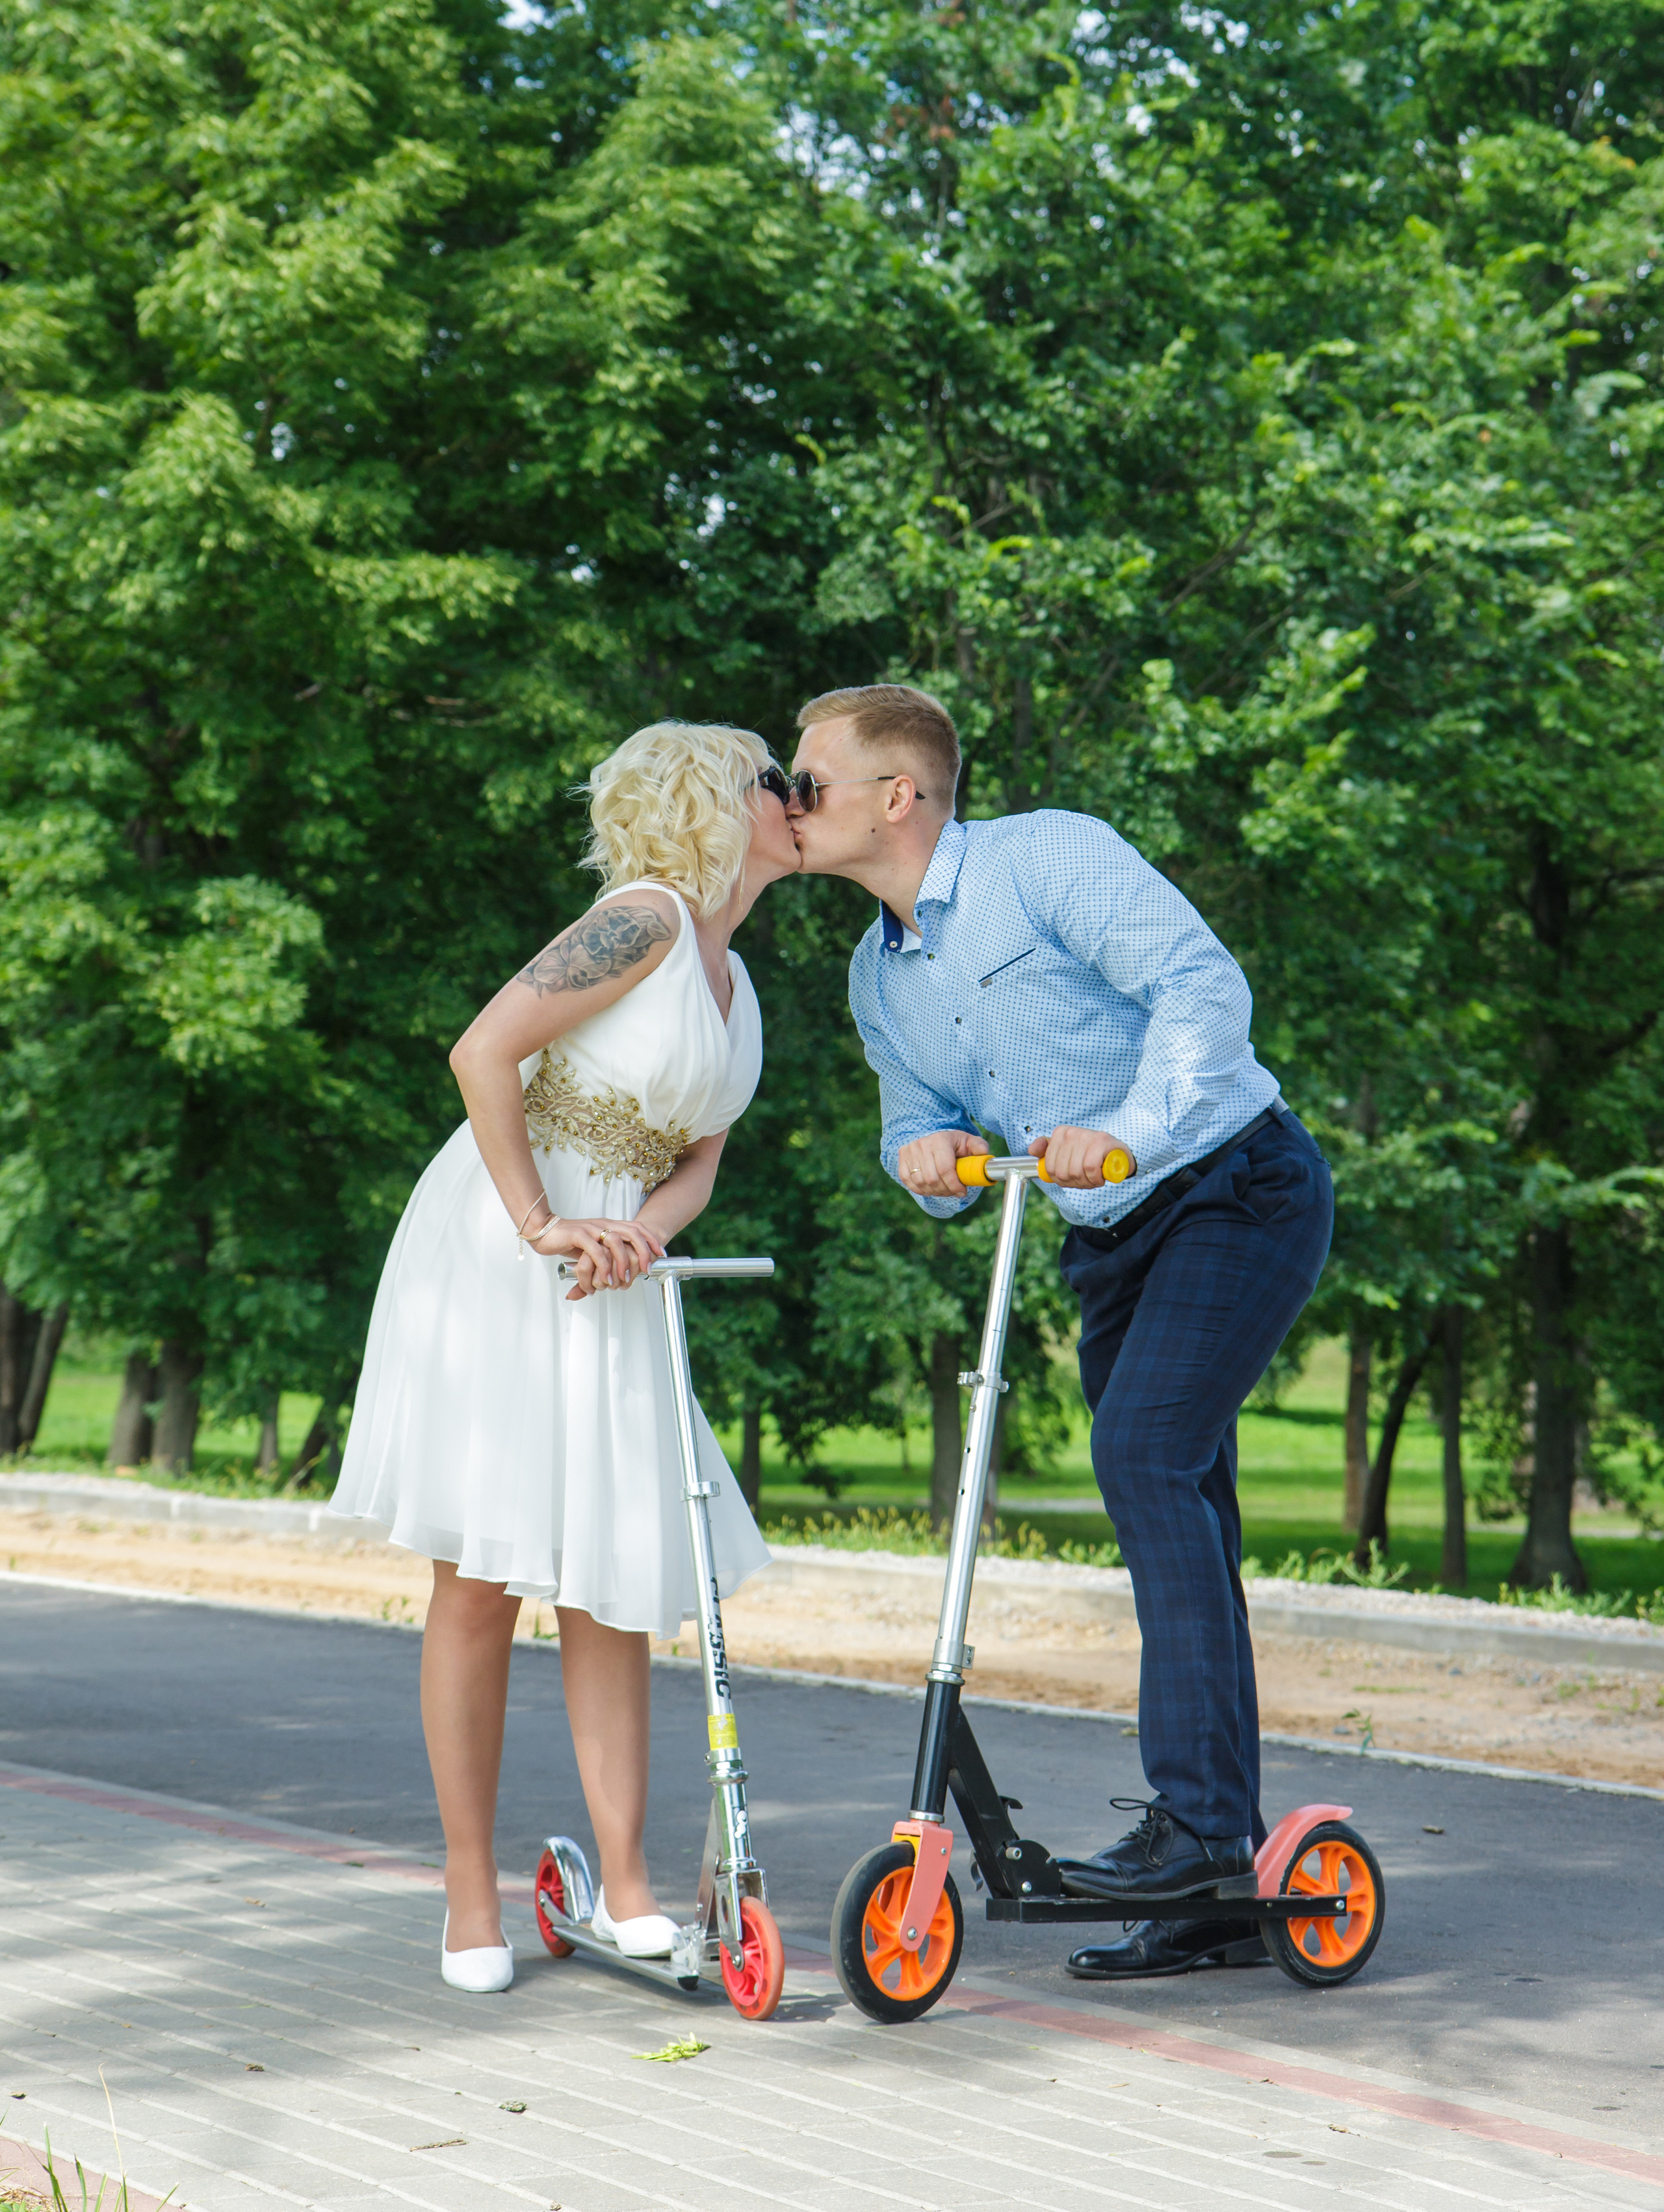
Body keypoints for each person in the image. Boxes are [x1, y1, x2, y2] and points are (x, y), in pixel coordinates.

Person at [786, 682, 1333, 1982]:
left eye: (804, 783)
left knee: (1140, 1458)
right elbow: (914, 1122)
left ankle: (1195, 1830)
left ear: (896, 796)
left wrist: (1130, 1128)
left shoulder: (1047, 858)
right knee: (1181, 1502)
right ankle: (1215, 1884)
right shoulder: (876, 974)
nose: (786, 804)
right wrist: (921, 1155)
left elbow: (1201, 989)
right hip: (1109, 1240)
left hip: (1233, 1185)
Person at [331, 723, 800, 1992]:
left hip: (615, 1263)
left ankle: (628, 1885)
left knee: (611, 1565)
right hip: (506, 1243)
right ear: (718, 804)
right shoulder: (643, 920)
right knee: (483, 1574)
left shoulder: (736, 977)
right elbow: (481, 1049)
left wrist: (644, 1233)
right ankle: (465, 1891)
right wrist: (542, 1220)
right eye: (777, 782)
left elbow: (698, 1160)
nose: (798, 798)